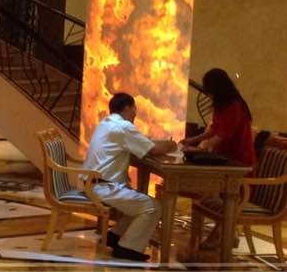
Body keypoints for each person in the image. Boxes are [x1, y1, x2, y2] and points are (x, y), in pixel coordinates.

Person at [83, 92, 177, 261]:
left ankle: (115, 236)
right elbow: (154, 149)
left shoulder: (106, 123)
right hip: (103, 186)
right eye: (134, 109)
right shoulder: (123, 127)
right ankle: (127, 248)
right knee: (153, 206)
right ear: (127, 108)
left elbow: (144, 143)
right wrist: (172, 144)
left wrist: (154, 144)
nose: (135, 113)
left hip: (93, 182)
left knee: (139, 199)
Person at [179, 68, 255, 166]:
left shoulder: (235, 106)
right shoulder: (221, 105)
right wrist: (191, 140)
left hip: (238, 160)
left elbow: (222, 135)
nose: (208, 95)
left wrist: (199, 149)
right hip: (224, 156)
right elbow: (214, 129)